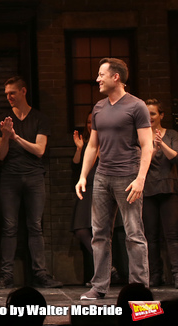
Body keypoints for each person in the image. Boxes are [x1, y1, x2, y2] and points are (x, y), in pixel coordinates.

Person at [76, 58, 153, 300]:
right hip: (102, 177)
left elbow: (147, 145)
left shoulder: (136, 106)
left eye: (101, 74)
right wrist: (83, 176)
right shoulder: (99, 107)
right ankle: (99, 286)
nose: (97, 79)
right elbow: (92, 145)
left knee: (133, 234)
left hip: (128, 176)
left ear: (116, 77)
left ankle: (138, 289)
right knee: (99, 234)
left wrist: (141, 178)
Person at [0, 76, 62, 289]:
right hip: (9, 178)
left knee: (35, 226)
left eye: (12, 92)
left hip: (34, 177)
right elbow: (1, 155)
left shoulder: (39, 118)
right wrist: (5, 136)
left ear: (23, 91)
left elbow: (39, 150)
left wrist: (16, 137)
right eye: (6, 94)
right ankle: (6, 276)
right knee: (9, 227)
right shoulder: (2, 120)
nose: (9, 97)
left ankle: (40, 274)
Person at [72, 113, 122, 285]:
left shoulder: (107, 143)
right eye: (88, 122)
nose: (90, 125)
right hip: (87, 189)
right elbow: (76, 165)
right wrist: (80, 148)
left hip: (102, 188)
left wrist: (98, 149)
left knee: (101, 232)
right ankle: (107, 267)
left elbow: (108, 164)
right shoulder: (86, 144)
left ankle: (103, 273)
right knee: (81, 230)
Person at [143, 99, 178, 287]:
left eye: (153, 113)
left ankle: (176, 274)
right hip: (148, 188)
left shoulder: (171, 134)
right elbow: (137, 163)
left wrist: (161, 144)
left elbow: (175, 157)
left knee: (172, 235)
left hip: (168, 187)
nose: (150, 117)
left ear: (161, 115)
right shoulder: (140, 135)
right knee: (151, 236)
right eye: (147, 113)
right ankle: (155, 275)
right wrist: (151, 148)